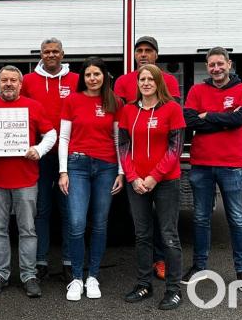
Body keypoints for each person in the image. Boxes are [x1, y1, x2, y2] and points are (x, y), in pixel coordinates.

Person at [0, 65, 56, 298]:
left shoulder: (33, 106)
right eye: (4, 80)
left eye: (13, 80)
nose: (9, 84)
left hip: (26, 180)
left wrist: (39, 150)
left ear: (21, 84)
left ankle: (28, 275)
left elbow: (51, 134)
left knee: (28, 230)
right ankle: (0, 274)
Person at [181, 47, 242, 291]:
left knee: (236, 219)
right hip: (201, 165)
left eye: (220, 64)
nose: (216, 68)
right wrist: (222, 119)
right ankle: (199, 267)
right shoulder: (196, 90)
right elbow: (190, 122)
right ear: (207, 67)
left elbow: (237, 121)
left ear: (229, 64)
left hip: (231, 165)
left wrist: (207, 117)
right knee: (201, 218)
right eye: (211, 64)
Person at [113, 35, 180, 281]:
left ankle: (162, 264)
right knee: (141, 230)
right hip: (136, 177)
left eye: (148, 51)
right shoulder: (122, 82)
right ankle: (144, 279)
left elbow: (174, 138)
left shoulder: (169, 84)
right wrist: (131, 175)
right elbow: (123, 135)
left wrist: (153, 176)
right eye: (139, 50)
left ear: (156, 55)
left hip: (162, 177)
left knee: (167, 229)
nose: (143, 54)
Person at [58, 57, 124, 301]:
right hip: (77, 166)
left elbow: (119, 140)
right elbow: (64, 138)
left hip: (107, 167)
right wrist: (63, 171)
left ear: (104, 76)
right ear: (82, 78)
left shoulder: (114, 101)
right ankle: (76, 278)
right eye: (88, 75)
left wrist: (121, 171)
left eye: (97, 74)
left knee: (99, 223)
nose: (93, 79)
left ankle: (93, 276)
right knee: (76, 223)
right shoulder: (72, 100)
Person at [119, 64, 185, 310]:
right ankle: (144, 284)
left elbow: (175, 148)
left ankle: (173, 290)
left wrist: (154, 177)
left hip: (165, 182)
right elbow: (123, 147)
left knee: (169, 236)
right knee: (142, 235)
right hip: (136, 183)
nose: (146, 83)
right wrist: (133, 177)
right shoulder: (128, 110)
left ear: (159, 82)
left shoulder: (172, 109)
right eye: (142, 79)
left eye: (150, 79)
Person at [22, 37, 79, 282]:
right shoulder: (28, 81)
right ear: (41, 55)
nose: (51, 55)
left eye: (56, 51)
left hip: (69, 154)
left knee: (68, 210)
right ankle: (41, 261)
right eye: (47, 52)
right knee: (42, 209)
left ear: (63, 54)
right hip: (40, 156)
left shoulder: (76, 80)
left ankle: (68, 261)